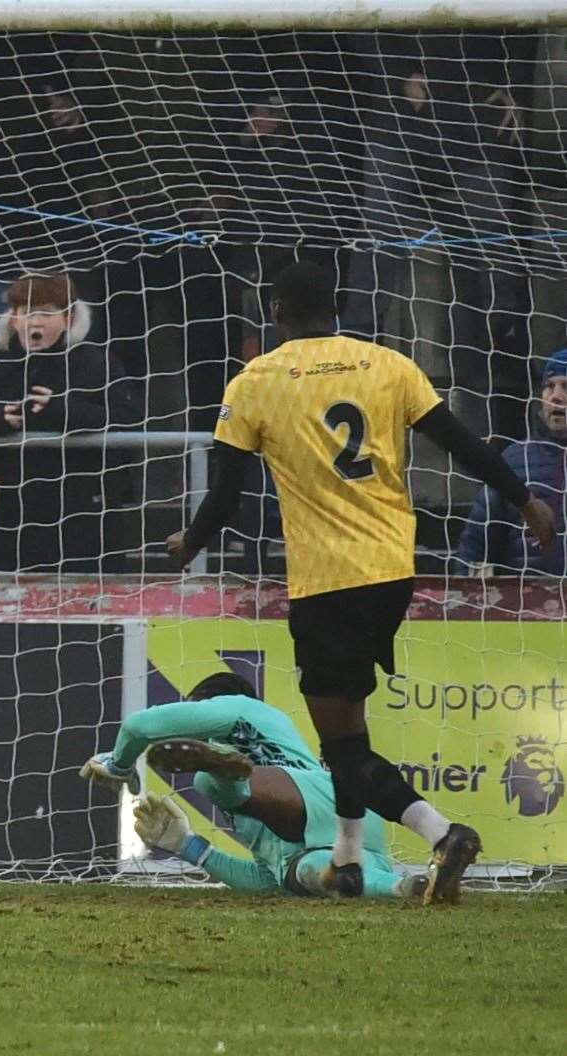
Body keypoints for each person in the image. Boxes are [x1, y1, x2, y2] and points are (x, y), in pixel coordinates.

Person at [167, 260, 556, 903]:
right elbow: (461, 442)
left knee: (341, 744)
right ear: (338, 309)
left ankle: (441, 831)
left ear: (275, 313)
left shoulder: (257, 381)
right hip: (393, 570)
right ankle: (347, 860)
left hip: (327, 581)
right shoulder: (389, 364)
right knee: (352, 724)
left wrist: (190, 542)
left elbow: (227, 496)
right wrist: (524, 499)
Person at [80, 673, 421, 899]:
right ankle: (403, 888)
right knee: (308, 874)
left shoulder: (244, 709)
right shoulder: (254, 798)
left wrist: (119, 764)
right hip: (351, 823)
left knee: (208, 781)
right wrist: (187, 846)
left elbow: (139, 726)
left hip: (306, 792)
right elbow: (266, 881)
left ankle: (225, 773)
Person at [0, 272, 143, 572]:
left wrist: (61, 411)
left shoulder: (95, 361)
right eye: (27, 312)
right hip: (13, 507)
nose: (35, 322)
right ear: (13, 319)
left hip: (84, 508)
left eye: (46, 312)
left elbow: (127, 418)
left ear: (68, 318)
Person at [457, 349, 567, 576]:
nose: (556, 396)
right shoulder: (515, 459)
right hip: (527, 604)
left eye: (566, 387)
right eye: (549, 386)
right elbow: (476, 544)